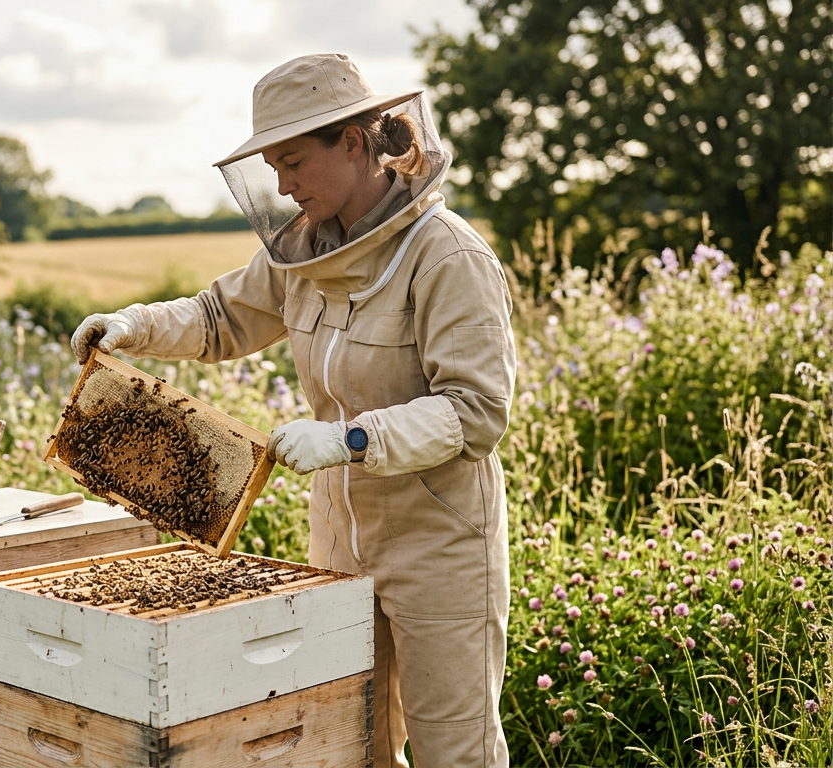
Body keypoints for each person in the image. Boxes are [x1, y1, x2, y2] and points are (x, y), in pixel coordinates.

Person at [71, 53, 514, 767]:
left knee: (453, 752)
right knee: (350, 744)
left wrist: (353, 439)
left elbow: (475, 413)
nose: (281, 183)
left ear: (354, 141)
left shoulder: (447, 256)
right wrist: (135, 325)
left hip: (441, 545)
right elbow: (220, 316)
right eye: (271, 166)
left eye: (293, 160)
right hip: (339, 541)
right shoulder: (301, 253)